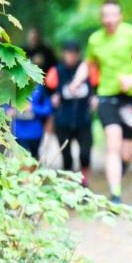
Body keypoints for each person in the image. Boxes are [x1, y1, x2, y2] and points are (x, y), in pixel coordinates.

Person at [79, 0, 132, 204]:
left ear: (120, 16)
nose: (109, 19)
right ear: (101, 18)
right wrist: (76, 81)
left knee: (127, 152)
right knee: (112, 143)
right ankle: (115, 195)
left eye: (113, 15)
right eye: (105, 15)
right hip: (106, 96)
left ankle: (119, 172)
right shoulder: (95, 39)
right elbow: (88, 64)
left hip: (130, 98)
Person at [45, 41, 97, 186]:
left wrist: (95, 98)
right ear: (64, 54)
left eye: (74, 53)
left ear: (78, 54)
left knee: (85, 154)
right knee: (66, 156)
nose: (71, 56)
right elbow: (47, 91)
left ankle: (84, 182)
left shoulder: (88, 70)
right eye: (69, 53)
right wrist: (52, 99)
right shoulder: (56, 71)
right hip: (63, 120)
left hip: (83, 119)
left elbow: (96, 87)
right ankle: (68, 184)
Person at [6, 84, 52, 160]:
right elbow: (5, 106)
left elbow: (48, 109)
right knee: (21, 160)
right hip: (18, 132)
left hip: (35, 133)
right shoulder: (13, 85)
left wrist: (33, 108)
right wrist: (10, 111)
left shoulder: (40, 88)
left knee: (34, 159)